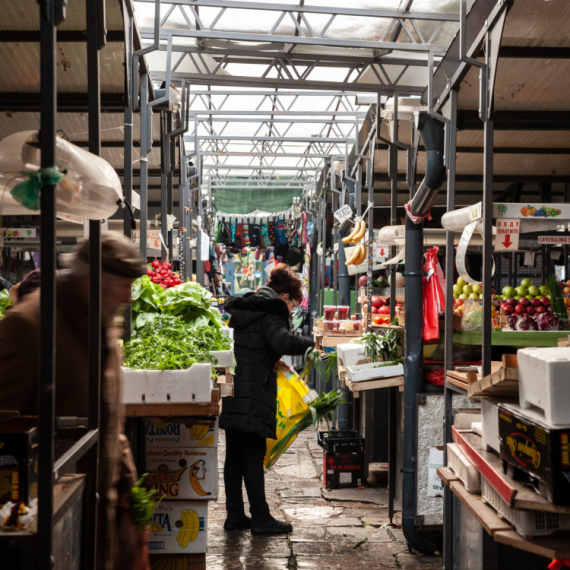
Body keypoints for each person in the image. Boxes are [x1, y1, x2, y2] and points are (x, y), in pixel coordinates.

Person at [0, 232, 145, 570]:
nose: (128, 298)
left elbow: (110, 423)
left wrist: (131, 496)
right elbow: (5, 429)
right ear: (93, 280)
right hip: (49, 521)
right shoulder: (30, 325)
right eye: (123, 286)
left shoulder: (103, 328)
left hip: (94, 516)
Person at [220, 264, 315, 535]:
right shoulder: (271, 311)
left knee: (234, 455)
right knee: (252, 453)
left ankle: (235, 515)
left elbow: (259, 344)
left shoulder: (248, 307)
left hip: (235, 389)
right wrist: (311, 344)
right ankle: (260, 516)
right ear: (284, 297)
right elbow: (282, 341)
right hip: (254, 393)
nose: (292, 312)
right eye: (294, 306)